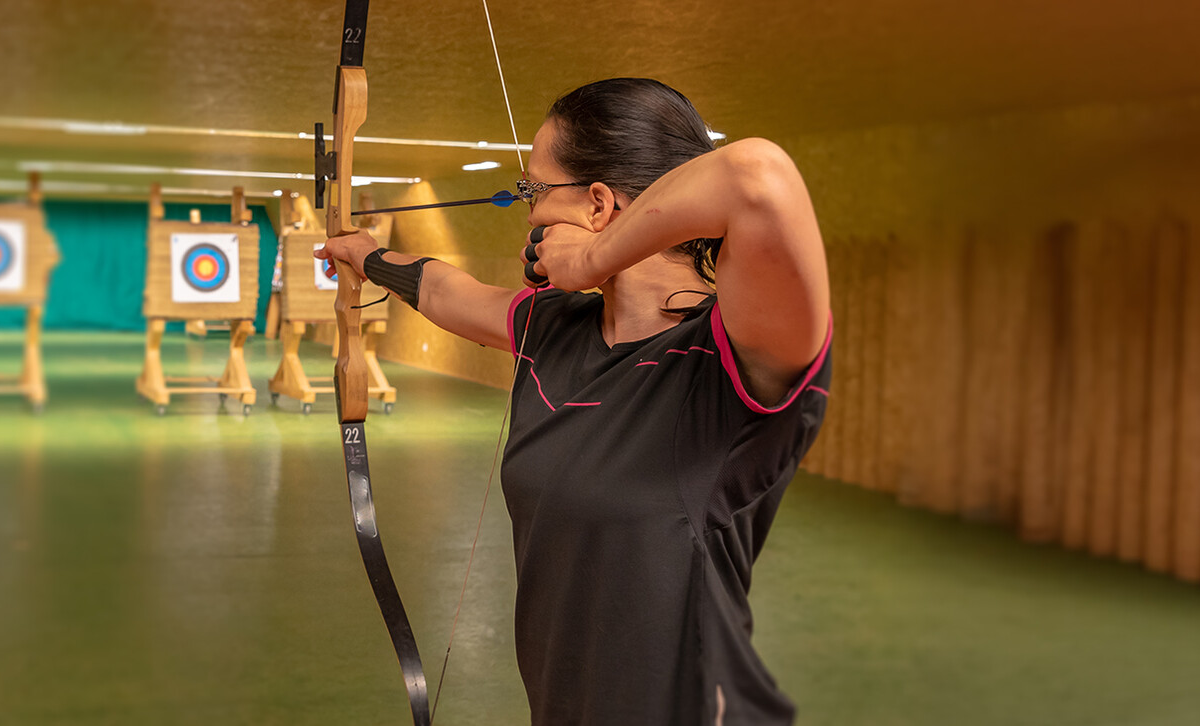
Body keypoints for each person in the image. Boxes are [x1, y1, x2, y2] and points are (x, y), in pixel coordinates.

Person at [317, 77, 832, 726]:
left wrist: (591, 260)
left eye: (534, 190)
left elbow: (755, 174)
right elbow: (451, 293)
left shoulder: (734, 351)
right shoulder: (552, 329)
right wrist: (364, 254)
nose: (527, 211)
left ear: (596, 205)